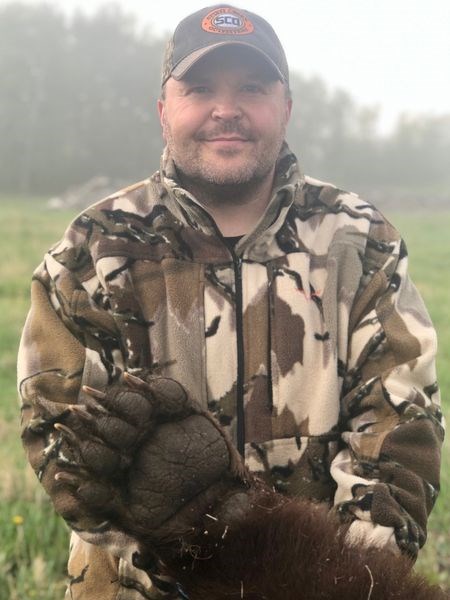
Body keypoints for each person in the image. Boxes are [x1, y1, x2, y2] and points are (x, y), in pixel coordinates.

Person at [18, 5, 444, 599]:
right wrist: (188, 544)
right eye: (199, 88)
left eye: (252, 87)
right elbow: (62, 444)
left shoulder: (360, 242)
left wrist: (324, 576)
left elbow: (402, 431)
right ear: (163, 109)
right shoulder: (92, 251)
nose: (227, 109)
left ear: (286, 108)